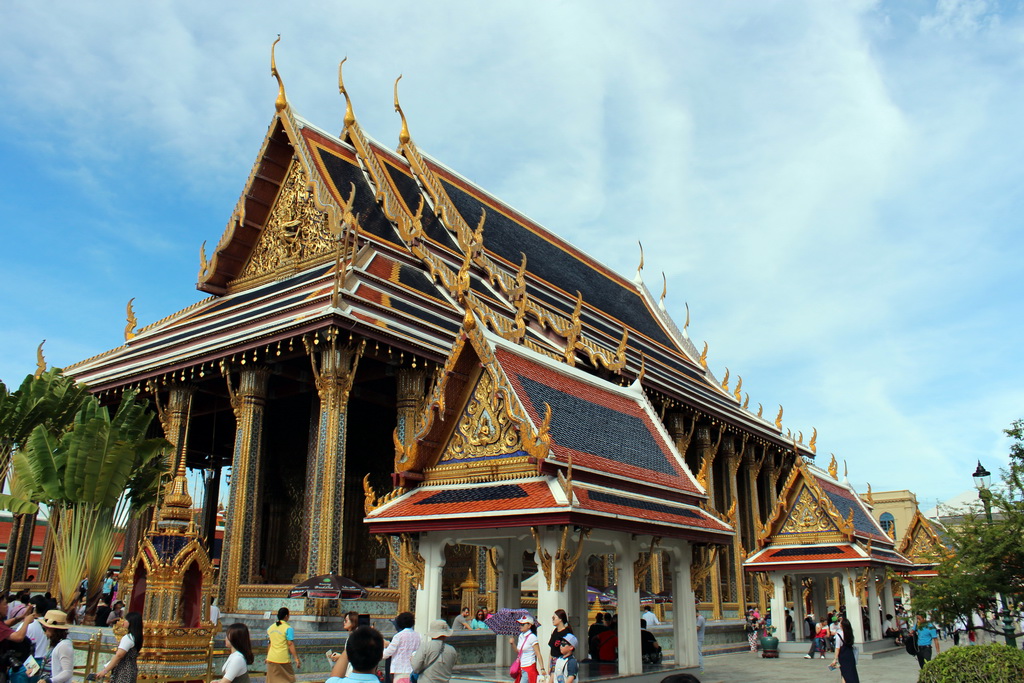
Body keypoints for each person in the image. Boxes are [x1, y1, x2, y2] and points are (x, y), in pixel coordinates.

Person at [95, 611, 143, 683]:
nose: (123, 622)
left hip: (123, 670)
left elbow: (119, 655)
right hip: (131, 668)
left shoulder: (128, 637)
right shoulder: (136, 637)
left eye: (126, 620)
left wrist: (105, 671)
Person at [382, 612, 420, 683]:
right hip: (414, 671)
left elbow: (386, 654)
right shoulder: (419, 636)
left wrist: (384, 646)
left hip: (400, 671)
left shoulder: (398, 636)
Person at [37, 610, 74, 683]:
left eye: (45, 629)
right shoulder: (56, 643)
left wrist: (50, 681)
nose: (44, 632)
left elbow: (67, 672)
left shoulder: (64, 645)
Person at [266, 608, 300, 683]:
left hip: (271, 658)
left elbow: (269, 643)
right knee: (289, 679)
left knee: (272, 680)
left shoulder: (270, 628)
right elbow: (290, 644)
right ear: (286, 616)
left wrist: (267, 656)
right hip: (282, 658)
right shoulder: (288, 628)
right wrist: (296, 658)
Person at [509, 615, 547, 683]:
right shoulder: (521, 636)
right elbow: (518, 651)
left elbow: (538, 653)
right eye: (520, 624)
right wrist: (513, 644)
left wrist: (542, 668)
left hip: (529, 667)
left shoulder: (532, 637)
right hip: (521, 667)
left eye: (523, 624)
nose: (521, 626)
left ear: (529, 625)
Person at [330, 611, 360, 679]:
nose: (344, 622)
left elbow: (356, 655)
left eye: (346, 621)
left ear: (353, 622)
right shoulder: (351, 635)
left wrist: (341, 657)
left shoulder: (356, 637)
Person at [830, 616, 859, 683]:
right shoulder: (849, 633)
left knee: (844, 673)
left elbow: (837, 648)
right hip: (850, 654)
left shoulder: (838, 635)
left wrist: (835, 659)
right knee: (852, 672)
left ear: (842, 625)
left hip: (843, 656)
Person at [695, 609, 706, 674]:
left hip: (698, 638)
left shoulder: (700, 619)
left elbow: (697, 628)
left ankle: (701, 669)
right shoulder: (700, 618)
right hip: (699, 638)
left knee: (698, 654)